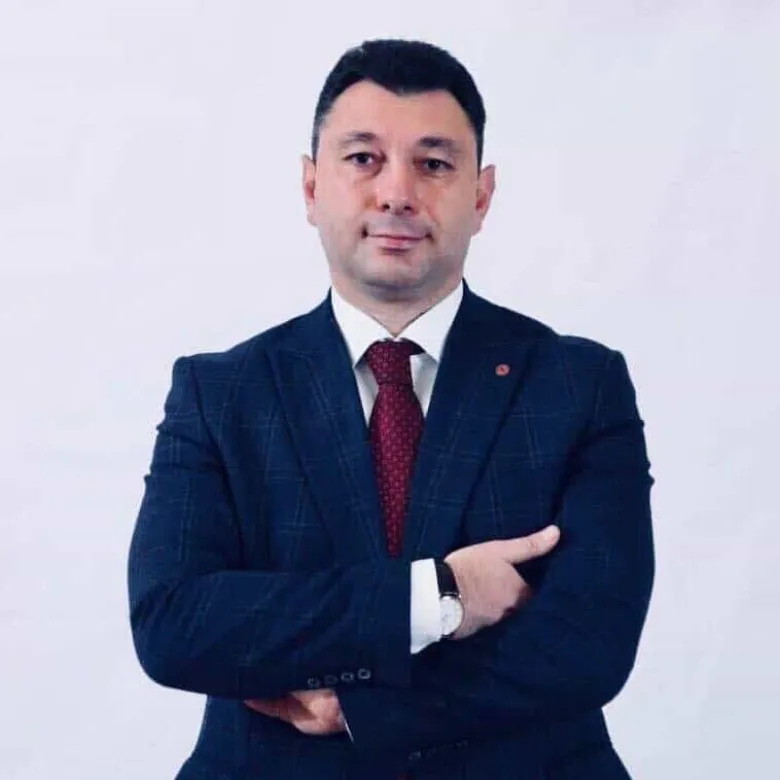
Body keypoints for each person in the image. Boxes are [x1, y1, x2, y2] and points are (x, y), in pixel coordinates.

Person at [127, 38, 655, 780]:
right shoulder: (220, 394)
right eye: (363, 158)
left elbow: (590, 642)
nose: (398, 193)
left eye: (434, 164)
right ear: (311, 187)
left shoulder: (578, 384)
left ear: (481, 196)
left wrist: (363, 710)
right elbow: (174, 623)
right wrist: (437, 596)